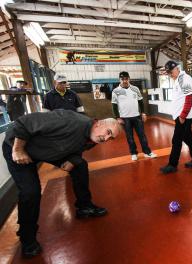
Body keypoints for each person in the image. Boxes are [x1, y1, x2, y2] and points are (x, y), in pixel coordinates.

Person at [2, 109, 121, 257]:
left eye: (111, 138)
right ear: (99, 123)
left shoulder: (94, 137)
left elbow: (78, 146)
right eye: (108, 132)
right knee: (30, 191)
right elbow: (23, 123)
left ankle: (84, 207)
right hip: (20, 149)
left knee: (80, 166)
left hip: (49, 149)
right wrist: (18, 149)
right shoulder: (70, 122)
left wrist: (73, 159)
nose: (106, 138)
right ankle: (27, 238)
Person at [160, 61, 192, 174]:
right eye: (168, 73)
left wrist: (183, 115)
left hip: (183, 117)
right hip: (181, 117)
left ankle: (172, 165)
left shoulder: (184, 78)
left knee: (176, 140)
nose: (170, 75)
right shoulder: (178, 80)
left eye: (171, 72)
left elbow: (189, 98)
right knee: (189, 139)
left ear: (177, 68)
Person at [111, 71, 157, 161]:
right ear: (119, 80)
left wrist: (143, 113)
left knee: (142, 136)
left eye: (126, 79)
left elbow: (140, 101)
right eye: (122, 79)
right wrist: (117, 117)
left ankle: (147, 152)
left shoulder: (135, 89)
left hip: (137, 117)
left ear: (129, 79)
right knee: (130, 137)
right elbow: (114, 105)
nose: (125, 81)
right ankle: (133, 153)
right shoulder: (116, 91)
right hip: (125, 118)